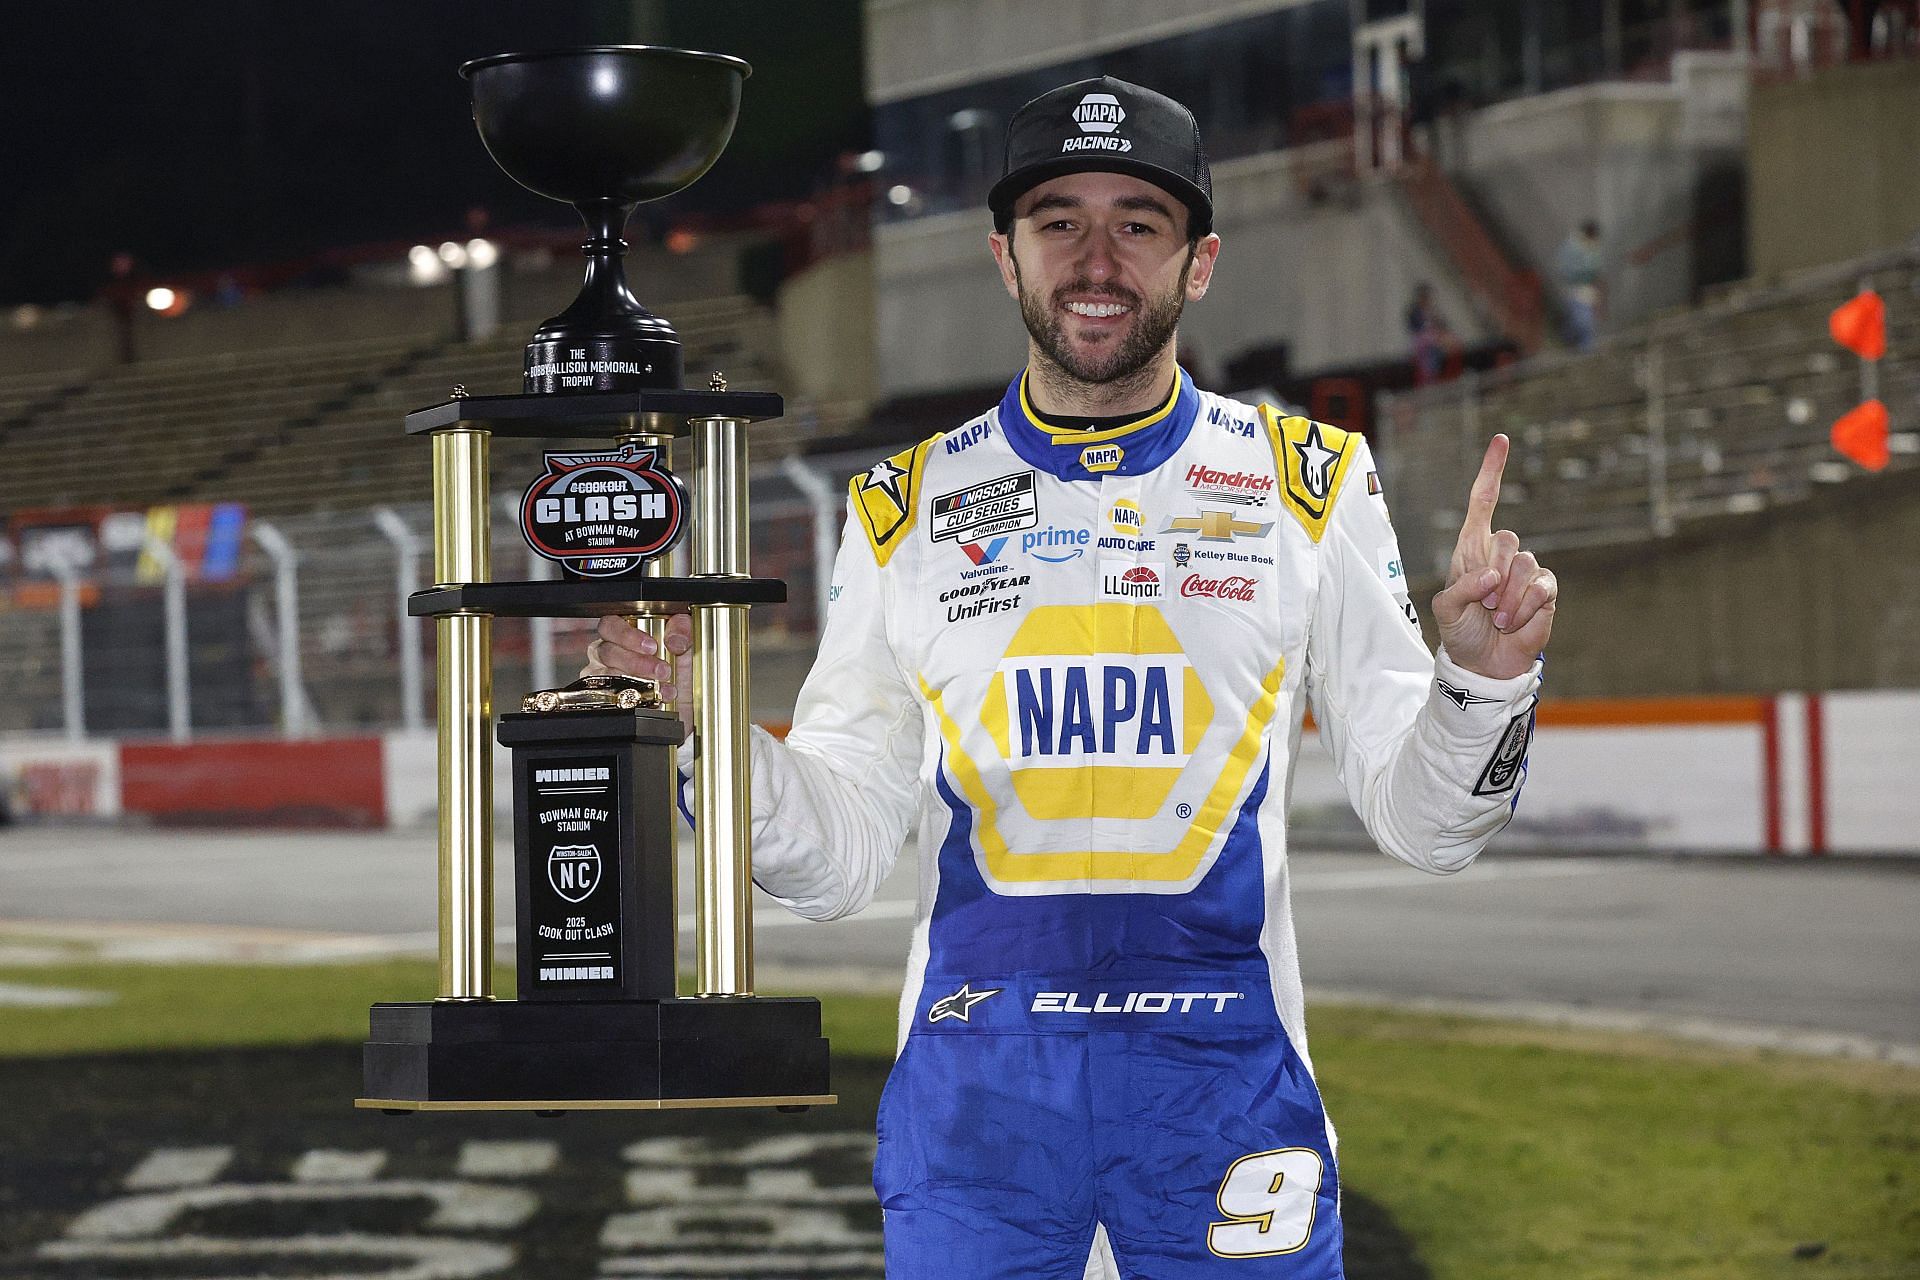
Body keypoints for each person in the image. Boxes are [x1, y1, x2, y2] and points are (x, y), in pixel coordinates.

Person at [588, 75, 1557, 1280]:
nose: (1096, 259)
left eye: (1138, 224)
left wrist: (1480, 682)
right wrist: (704, 733)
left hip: (1225, 1106)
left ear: (1200, 262)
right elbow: (833, 861)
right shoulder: (901, 509)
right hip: (979, 1116)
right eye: (1059, 222)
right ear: (1005, 255)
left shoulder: (1309, 481)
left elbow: (1427, 828)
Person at [1556, 220, 1606, 351]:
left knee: (1583, 323)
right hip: (1576, 289)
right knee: (1581, 322)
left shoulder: (1591, 247)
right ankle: (1579, 348)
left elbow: (1595, 272)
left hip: (1587, 290)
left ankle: (1584, 350)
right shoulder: (1575, 245)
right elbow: (1570, 270)